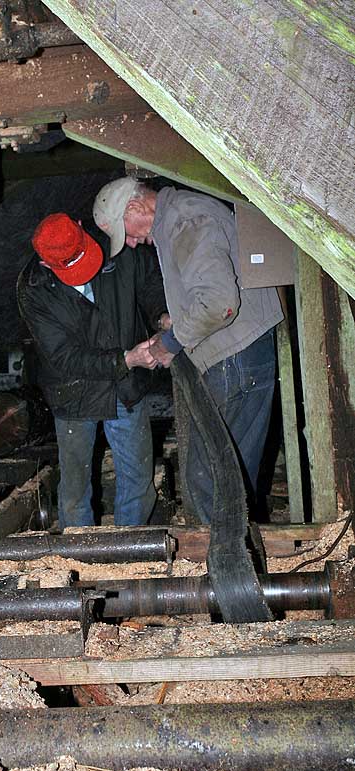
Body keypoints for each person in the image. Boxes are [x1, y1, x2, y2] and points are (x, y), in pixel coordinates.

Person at [93, 177, 284, 523]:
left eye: (129, 233)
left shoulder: (184, 221)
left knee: (211, 476)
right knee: (230, 475)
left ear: (136, 207)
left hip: (235, 359)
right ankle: (236, 560)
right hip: (240, 354)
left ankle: (227, 568)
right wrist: (173, 323)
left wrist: (169, 344)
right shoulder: (177, 220)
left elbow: (219, 303)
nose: (134, 244)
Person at [17, 212, 168, 530]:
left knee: (138, 479)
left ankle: (131, 548)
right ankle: (80, 552)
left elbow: (149, 281)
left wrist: (161, 315)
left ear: (82, 229)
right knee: (74, 487)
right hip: (75, 392)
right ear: (47, 264)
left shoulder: (116, 246)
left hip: (124, 388)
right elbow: (65, 357)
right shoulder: (34, 289)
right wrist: (126, 360)